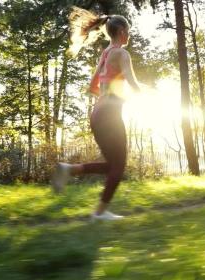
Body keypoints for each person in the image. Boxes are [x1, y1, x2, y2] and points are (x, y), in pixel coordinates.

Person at [51, 7, 141, 221]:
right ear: (121, 32)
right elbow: (132, 81)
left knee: (112, 164)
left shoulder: (106, 54)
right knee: (118, 166)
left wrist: (114, 92)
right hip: (109, 114)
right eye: (128, 31)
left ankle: (68, 170)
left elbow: (93, 87)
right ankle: (99, 213)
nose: (129, 35)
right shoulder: (121, 53)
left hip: (98, 114)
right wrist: (143, 93)